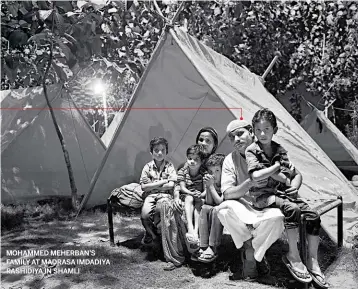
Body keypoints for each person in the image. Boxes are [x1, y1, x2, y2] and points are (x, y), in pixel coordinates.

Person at [245, 108, 327, 288]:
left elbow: (292, 175)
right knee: (292, 209)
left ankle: (313, 261)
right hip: (263, 196)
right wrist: (276, 170)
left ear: (275, 129)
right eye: (258, 130)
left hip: (283, 193)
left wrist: (293, 187)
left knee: (313, 216)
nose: (262, 133)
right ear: (253, 131)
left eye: (267, 129)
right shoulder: (252, 150)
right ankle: (293, 255)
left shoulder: (280, 150)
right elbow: (256, 176)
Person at [216, 119, 286, 279]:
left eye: (240, 134)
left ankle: (253, 254)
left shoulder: (270, 151)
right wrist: (250, 183)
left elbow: (290, 174)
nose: (236, 140)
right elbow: (227, 194)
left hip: (266, 206)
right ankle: (252, 251)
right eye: (232, 137)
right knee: (224, 210)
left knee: (277, 219)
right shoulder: (230, 159)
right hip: (243, 207)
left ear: (251, 132)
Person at [157, 127, 219, 271]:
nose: (203, 143)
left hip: (207, 198)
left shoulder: (214, 163)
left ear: (214, 145)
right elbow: (180, 183)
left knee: (202, 208)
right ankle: (176, 256)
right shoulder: (189, 161)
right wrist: (177, 196)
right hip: (188, 196)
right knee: (168, 205)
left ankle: (198, 250)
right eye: (201, 139)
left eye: (208, 141)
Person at [140, 137, 177, 247]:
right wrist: (164, 181)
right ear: (151, 152)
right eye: (156, 150)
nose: (160, 153)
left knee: (160, 211)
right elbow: (143, 187)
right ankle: (151, 234)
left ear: (166, 151)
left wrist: (153, 185)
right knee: (145, 215)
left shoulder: (169, 166)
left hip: (165, 196)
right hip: (151, 196)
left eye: (163, 150)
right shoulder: (147, 167)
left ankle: (160, 236)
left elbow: (171, 185)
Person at [194, 153, 225, 263]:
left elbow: (220, 202)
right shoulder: (211, 182)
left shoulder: (226, 182)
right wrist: (207, 186)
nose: (214, 174)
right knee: (205, 208)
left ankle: (213, 246)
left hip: (225, 208)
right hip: (214, 206)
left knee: (216, 211)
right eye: (211, 171)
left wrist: (211, 186)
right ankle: (203, 245)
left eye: (217, 170)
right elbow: (209, 202)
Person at [177, 144, 206, 245]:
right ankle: (190, 226)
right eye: (190, 158)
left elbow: (206, 190)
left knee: (200, 202)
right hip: (186, 194)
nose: (192, 161)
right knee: (189, 199)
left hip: (198, 196)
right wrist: (191, 193)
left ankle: (196, 230)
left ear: (202, 161)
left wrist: (201, 194)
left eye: (196, 159)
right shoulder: (183, 171)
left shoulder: (203, 173)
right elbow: (182, 188)